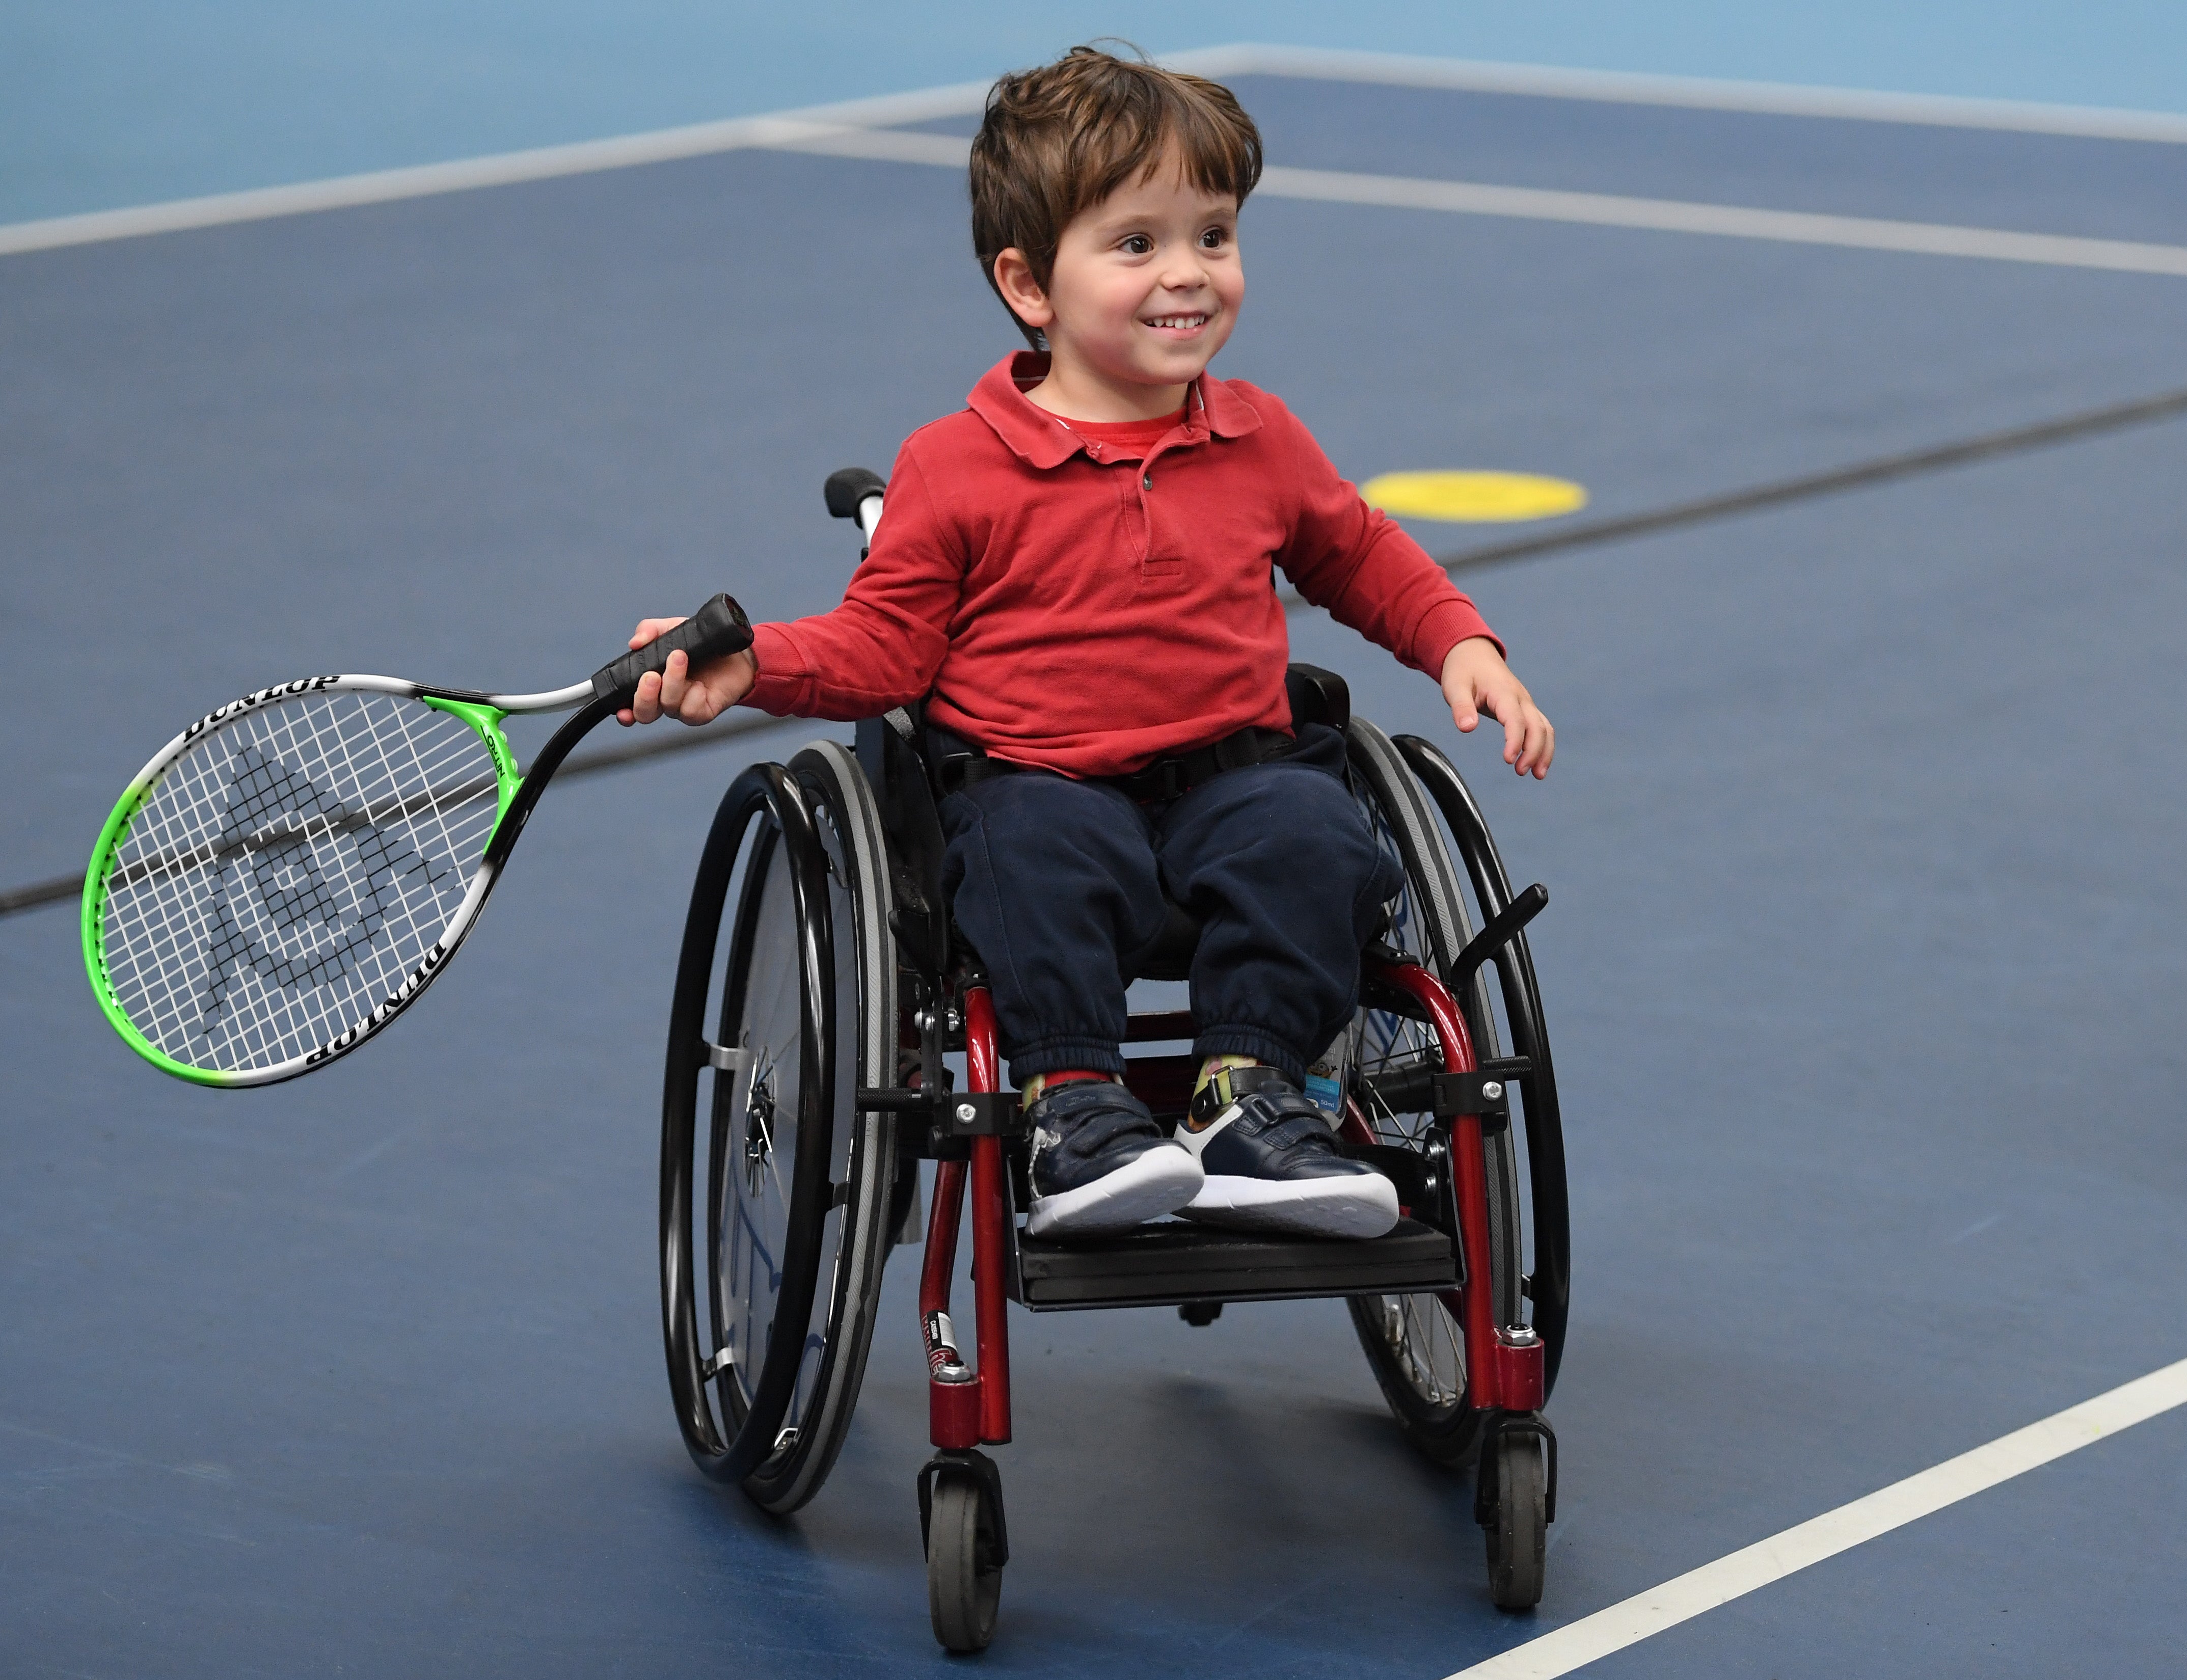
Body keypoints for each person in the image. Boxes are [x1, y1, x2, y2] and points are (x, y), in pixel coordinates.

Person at [618, 45, 1554, 1242]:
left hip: (1236, 780)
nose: (1188, 275)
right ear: (1028, 286)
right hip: (1041, 789)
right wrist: (752, 668)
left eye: (1212, 236)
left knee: (1319, 834)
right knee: (1032, 850)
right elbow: (884, 649)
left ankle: (1249, 1100)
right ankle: (1072, 1111)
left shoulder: (1260, 437)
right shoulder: (952, 467)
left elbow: (1361, 554)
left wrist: (1457, 642)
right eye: (1136, 245)